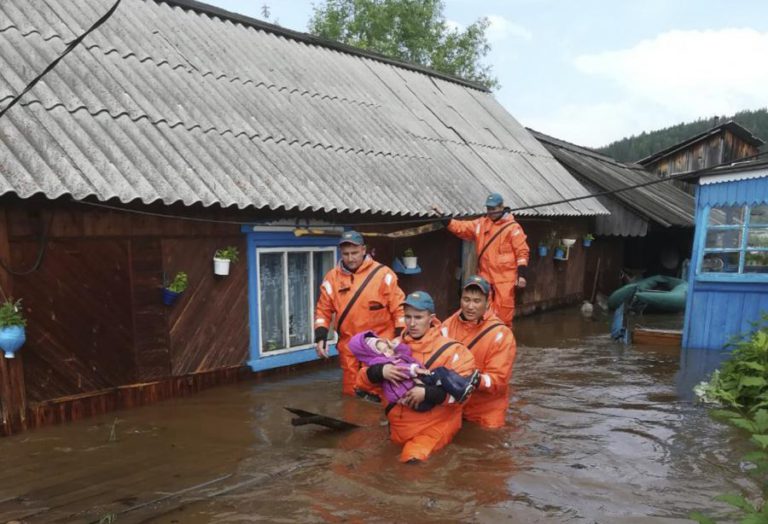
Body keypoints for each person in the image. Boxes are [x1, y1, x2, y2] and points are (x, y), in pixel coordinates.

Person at [356, 291, 476, 463]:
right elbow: (361, 384)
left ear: (431, 319)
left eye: (418, 317)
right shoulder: (392, 346)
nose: (412, 323)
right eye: (408, 317)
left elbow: (464, 396)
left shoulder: (454, 351)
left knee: (412, 463)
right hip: (397, 428)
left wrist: (427, 394)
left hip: (434, 427)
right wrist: (379, 372)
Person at [314, 230, 405, 396]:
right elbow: (322, 310)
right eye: (346, 254)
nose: (350, 258)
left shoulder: (384, 275)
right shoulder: (331, 278)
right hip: (349, 348)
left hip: (379, 347)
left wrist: (400, 336)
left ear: (364, 250)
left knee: (381, 393)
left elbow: (399, 308)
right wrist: (320, 337)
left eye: (354, 253)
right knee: (351, 393)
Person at [441, 192, 530, 327]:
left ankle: (502, 342)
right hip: (485, 279)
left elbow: (522, 252)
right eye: (488, 209)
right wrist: (445, 219)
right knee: (480, 313)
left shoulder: (513, 228)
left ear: (501, 207)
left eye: (493, 209)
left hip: (505, 281)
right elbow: (462, 228)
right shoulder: (481, 224)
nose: (490, 212)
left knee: (503, 316)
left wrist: (522, 276)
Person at [442, 275, 517, 429]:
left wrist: (476, 380)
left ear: (487, 303)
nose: (470, 306)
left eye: (477, 301)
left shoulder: (501, 335)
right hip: (453, 404)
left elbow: (499, 380)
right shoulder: (447, 325)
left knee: (486, 446)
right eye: (466, 299)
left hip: (486, 410)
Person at [348, 330, 480, 410]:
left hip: (414, 394)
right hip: (412, 398)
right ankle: (461, 389)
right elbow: (401, 369)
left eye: (383, 344)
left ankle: (463, 386)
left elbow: (406, 351)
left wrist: (394, 346)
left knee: (440, 375)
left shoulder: (390, 354)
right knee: (440, 373)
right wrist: (416, 370)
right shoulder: (380, 362)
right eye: (382, 349)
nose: (386, 350)